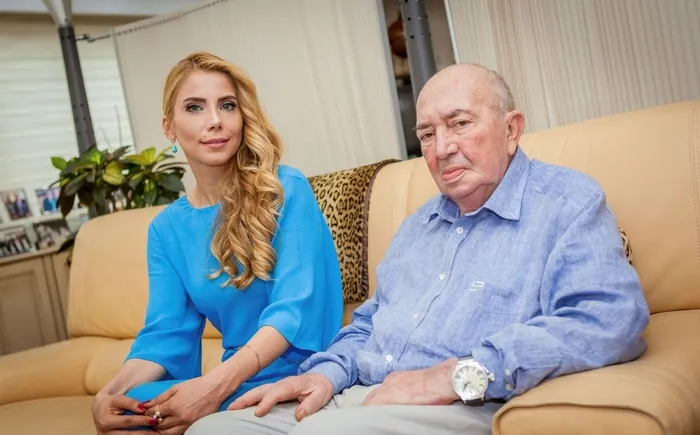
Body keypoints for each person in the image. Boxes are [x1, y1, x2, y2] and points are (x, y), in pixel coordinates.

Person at [185, 64, 650, 435]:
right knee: (213, 429)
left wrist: (454, 376)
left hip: (461, 403)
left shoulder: (566, 203)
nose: (442, 148)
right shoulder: (419, 224)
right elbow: (367, 325)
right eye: (426, 134)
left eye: (460, 124)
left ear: (512, 129)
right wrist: (324, 375)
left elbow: (610, 320)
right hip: (359, 396)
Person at [90, 52, 344, 435]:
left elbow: (294, 311)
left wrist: (212, 387)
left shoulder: (286, 189)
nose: (215, 120)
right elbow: (166, 333)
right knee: (129, 414)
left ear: (242, 117)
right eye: (194, 107)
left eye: (227, 105)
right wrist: (109, 394)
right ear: (169, 127)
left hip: (302, 377)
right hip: (232, 383)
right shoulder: (166, 229)